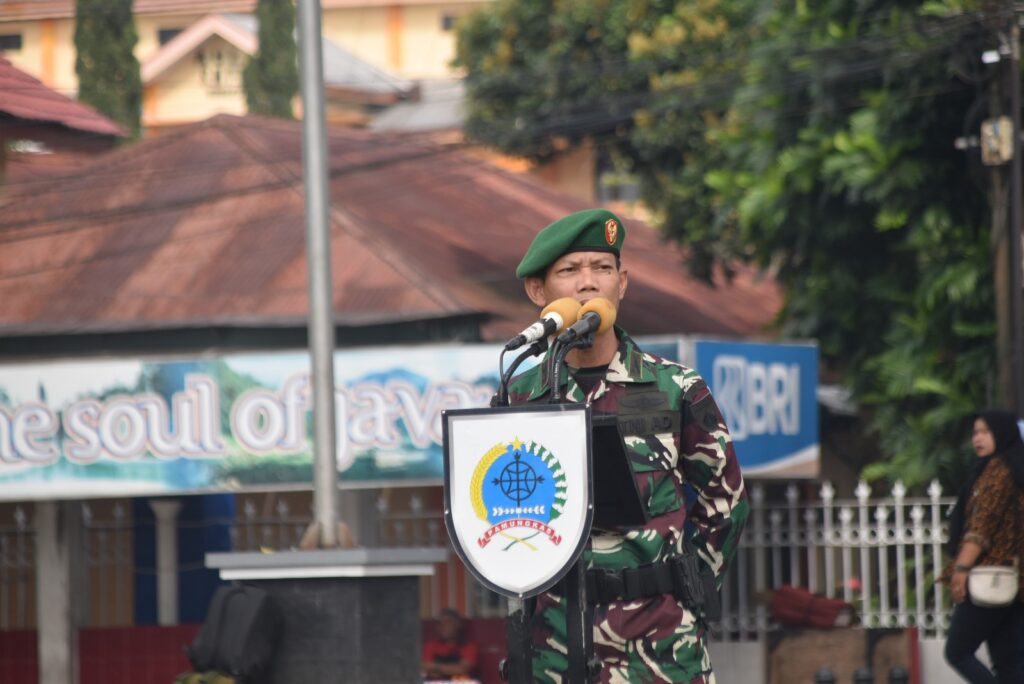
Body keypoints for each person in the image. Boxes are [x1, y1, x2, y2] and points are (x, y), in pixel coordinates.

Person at [505, 208, 748, 683]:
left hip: (659, 639)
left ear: (623, 282)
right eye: (570, 271)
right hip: (554, 643)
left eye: (602, 268)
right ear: (539, 292)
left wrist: (687, 585)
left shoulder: (674, 387)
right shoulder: (521, 395)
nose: (588, 283)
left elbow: (727, 500)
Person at [943, 409, 1024, 683]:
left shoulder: (998, 471)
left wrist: (961, 568)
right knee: (1009, 665)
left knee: (957, 652)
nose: (978, 438)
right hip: (1015, 580)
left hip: (988, 577)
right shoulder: (1016, 468)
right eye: (975, 432)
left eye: (985, 432)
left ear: (1001, 433)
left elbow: (981, 527)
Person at [421, 608, 480, 682]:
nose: (443, 626)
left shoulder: (469, 647)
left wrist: (435, 668)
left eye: (448, 622)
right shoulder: (431, 646)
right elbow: (425, 667)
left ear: (458, 624)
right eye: (440, 623)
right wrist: (451, 670)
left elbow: (462, 670)